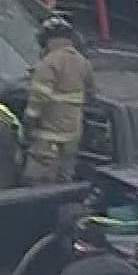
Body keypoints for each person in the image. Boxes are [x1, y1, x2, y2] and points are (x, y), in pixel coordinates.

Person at [21, 15, 94, 184]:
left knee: (36, 183)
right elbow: (91, 92)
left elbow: (38, 99)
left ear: (47, 39)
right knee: (65, 181)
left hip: (47, 139)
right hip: (72, 137)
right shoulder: (83, 62)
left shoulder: (48, 63)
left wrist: (28, 124)